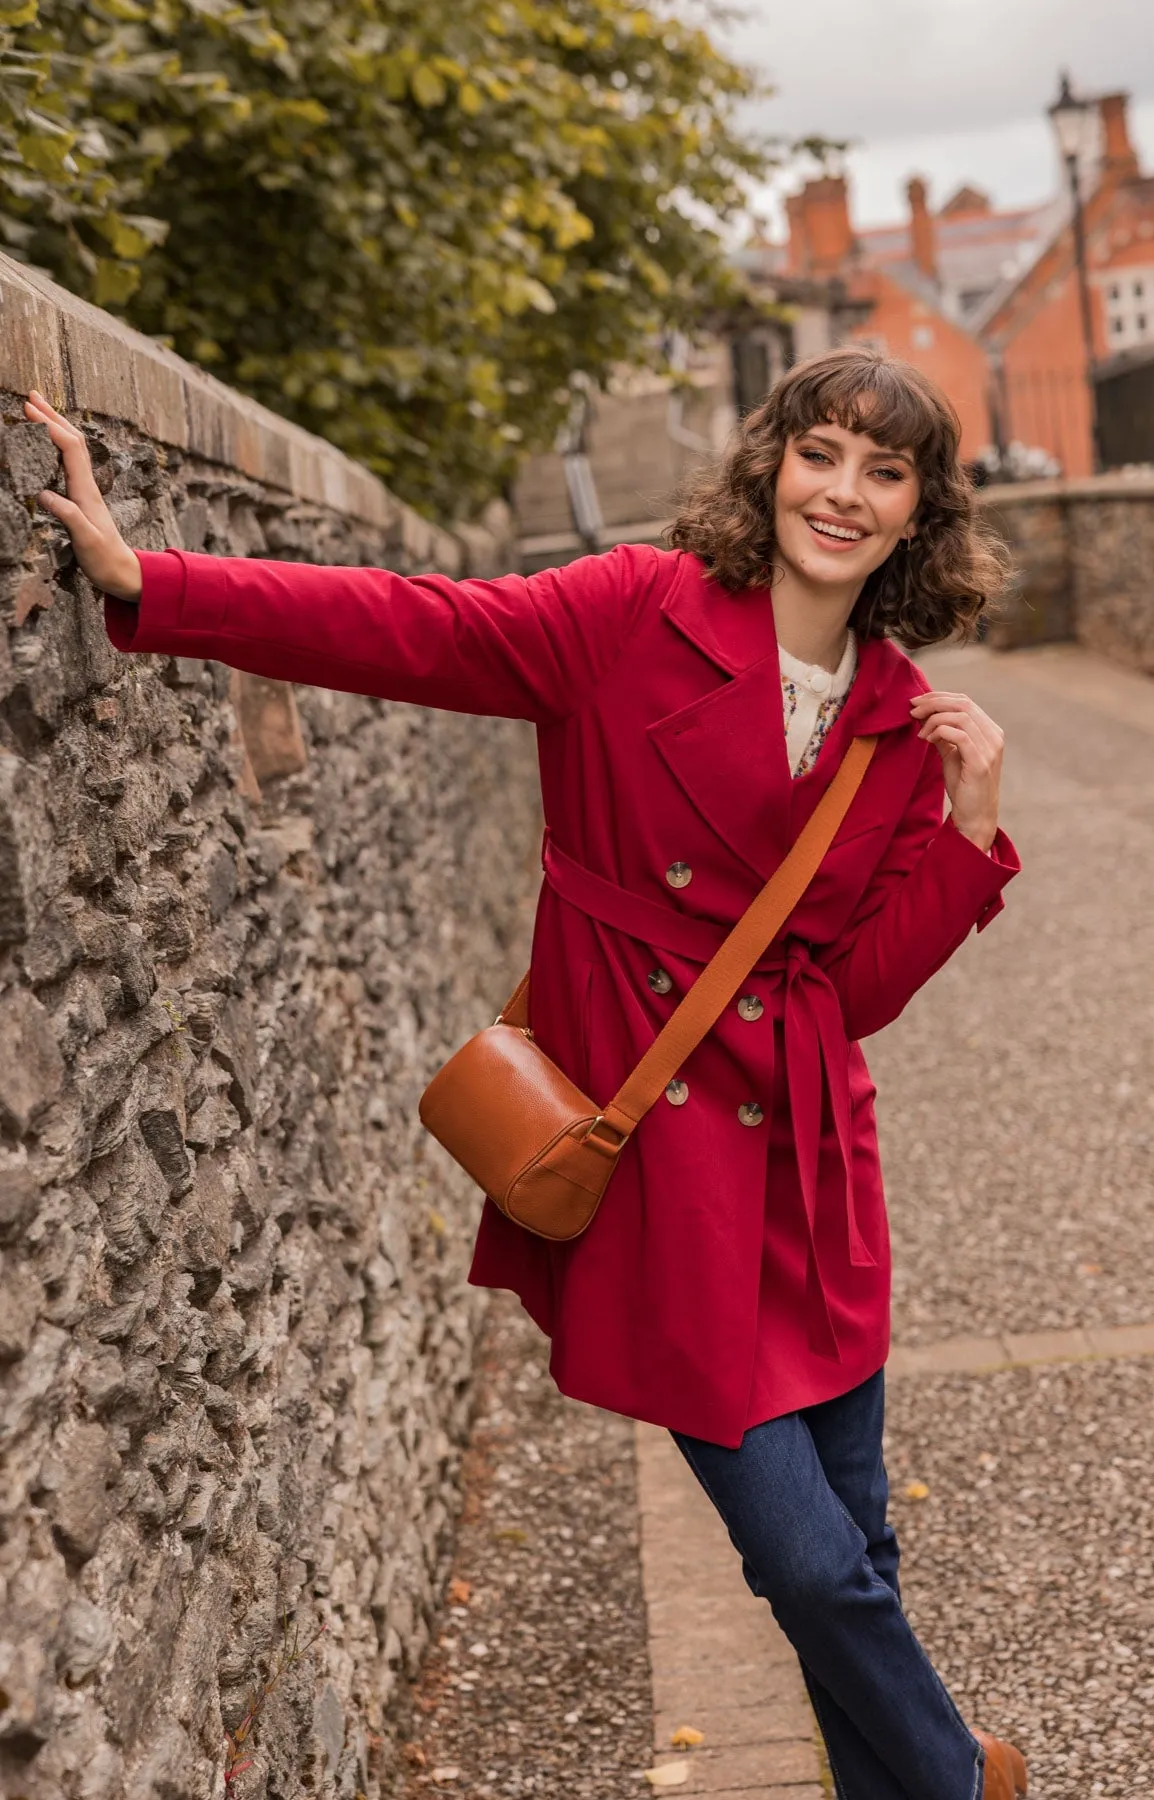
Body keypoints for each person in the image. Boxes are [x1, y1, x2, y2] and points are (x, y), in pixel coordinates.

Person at [26, 345, 1026, 1800]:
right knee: (810, 1564)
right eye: (824, 454)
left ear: (920, 513)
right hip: (668, 1165)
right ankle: (963, 1780)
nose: (845, 494)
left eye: (887, 473)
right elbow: (411, 627)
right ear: (772, 461)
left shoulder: (897, 713)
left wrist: (970, 828)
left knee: (859, 1551)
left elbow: (851, 990)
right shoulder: (633, 614)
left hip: (813, 1173)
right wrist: (153, 583)